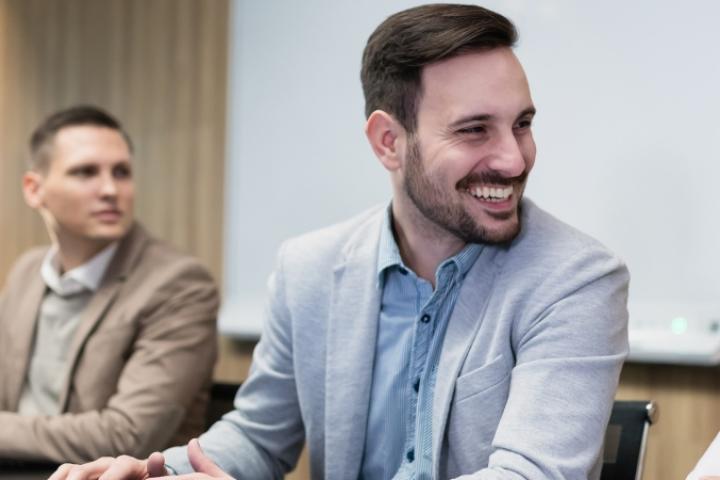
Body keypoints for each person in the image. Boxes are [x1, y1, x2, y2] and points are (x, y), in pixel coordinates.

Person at [51, 4, 629, 479]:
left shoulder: (577, 278)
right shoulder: (308, 268)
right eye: (475, 129)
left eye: (522, 124)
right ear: (388, 142)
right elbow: (257, 437)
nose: (513, 157)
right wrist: (162, 474)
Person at [0, 106, 219, 464]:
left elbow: (128, 435)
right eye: (85, 172)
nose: (110, 189)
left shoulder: (180, 285)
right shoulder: (27, 271)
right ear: (34, 189)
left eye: (122, 173)